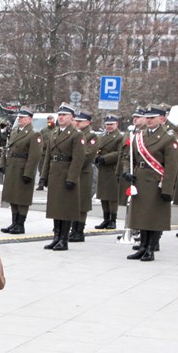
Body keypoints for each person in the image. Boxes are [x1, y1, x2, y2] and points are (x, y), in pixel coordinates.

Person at [123, 107, 178, 261]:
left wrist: (167, 188)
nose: (148, 120)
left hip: (156, 181)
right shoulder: (139, 136)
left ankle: (150, 248)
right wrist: (127, 171)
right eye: (147, 117)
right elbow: (129, 157)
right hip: (140, 180)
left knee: (153, 216)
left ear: (161, 119)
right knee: (141, 215)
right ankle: (142, 247)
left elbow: (172, 166)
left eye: (152, 118)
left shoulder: (168, 138)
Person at [40, 104, 84, 251]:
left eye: (64, 115)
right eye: (59, 115)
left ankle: (63, 239)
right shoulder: (54, 133)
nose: (61, 117)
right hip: (54, 174)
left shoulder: (77, 135)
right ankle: (56, 237)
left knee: (65, 209)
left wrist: (71, 178)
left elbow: (78, 159)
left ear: (71, 117)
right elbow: (48, 156)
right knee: (55, 208)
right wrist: (44, 175)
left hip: (66, 174)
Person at [0, 109, 42, 235]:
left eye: (22, 117)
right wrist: (3, 163)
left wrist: (28, 173)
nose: (19, 119)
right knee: (13, 196)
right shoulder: (14, 131)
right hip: (12, 166)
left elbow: (34, 156)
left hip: (23, 168)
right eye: (19, 117)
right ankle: (14, 222)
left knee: (22, 198)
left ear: (29, 119)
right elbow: (7, 148)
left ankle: (20, 224)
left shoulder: (34, 134)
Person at [70, 112, 98, 242]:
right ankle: (73, 228)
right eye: (76, 121)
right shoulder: (75, 134)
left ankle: (79, 231)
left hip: (84, 172)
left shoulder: (91, 136)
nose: (77, 123)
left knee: (82, 202)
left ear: (87, 123)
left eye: (80, 121)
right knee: (74, 201)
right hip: (74, 171)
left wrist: (72, 161)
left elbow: (87, 155)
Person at [93, 116, 124, 230]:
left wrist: (105, 158)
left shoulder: (120, 137)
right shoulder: (102, 137)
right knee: (103, 196)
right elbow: (97, 149)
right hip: (102, 169)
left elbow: (120, 152)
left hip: (112, 169)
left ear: (116, 124)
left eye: (111, 124)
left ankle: (113, 220)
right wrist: (96, 157)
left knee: (112, 196)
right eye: (107, 124)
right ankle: (105, 219)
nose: (109, 127)